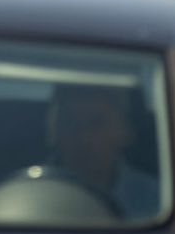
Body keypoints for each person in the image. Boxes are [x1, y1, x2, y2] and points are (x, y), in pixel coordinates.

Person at [50, 84, 158, 219]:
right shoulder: (28, 197)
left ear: (125, 132)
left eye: (96, 123)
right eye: (71, 123)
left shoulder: (159, 203)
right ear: (53, 132)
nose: (84, 137)